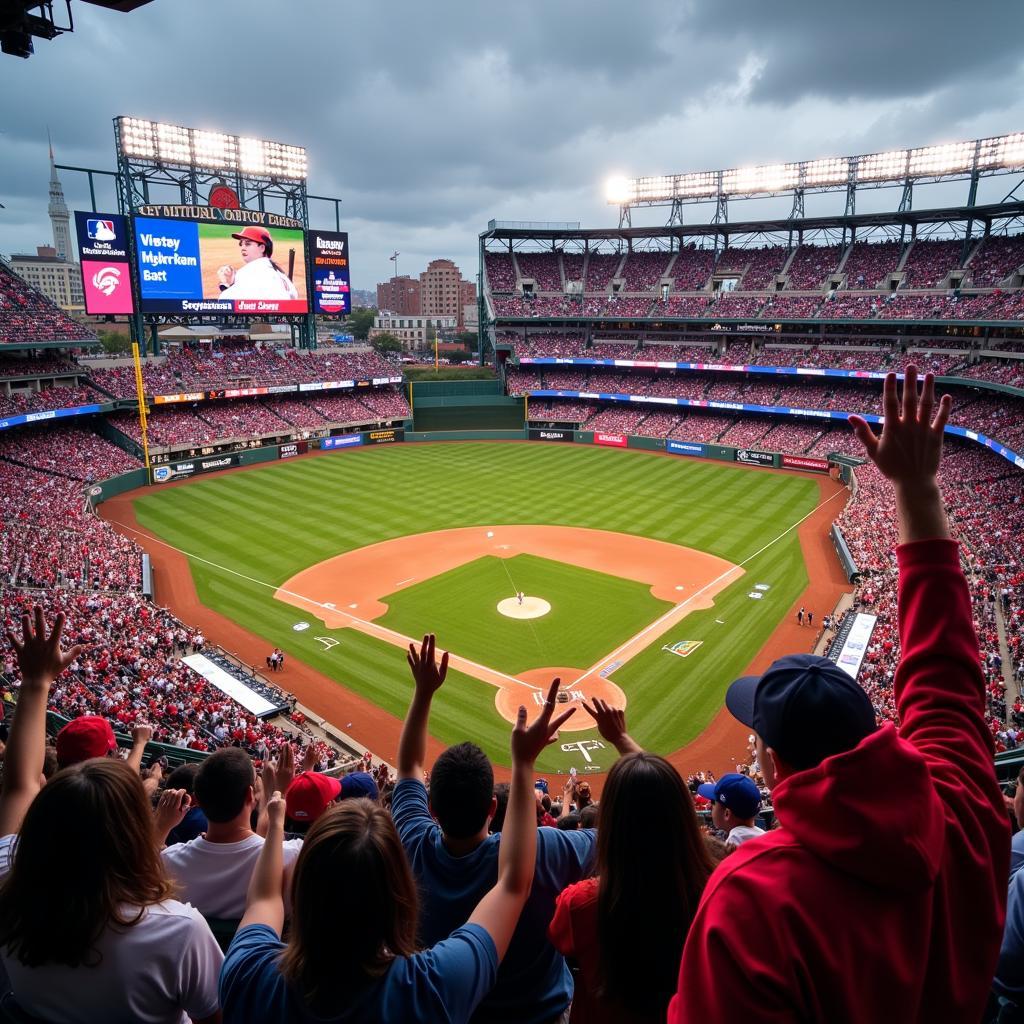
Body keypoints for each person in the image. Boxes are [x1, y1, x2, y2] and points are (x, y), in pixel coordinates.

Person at [669, 367, 1010, 1023]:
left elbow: (945, 677)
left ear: (770, 765)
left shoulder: (755, 898)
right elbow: (947, 680)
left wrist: (915, 486)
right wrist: (918, 488)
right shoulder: (964, 807)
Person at [219, 636, 571, 1024]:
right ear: (398, 896)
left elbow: (264, 900)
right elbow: (512, 885)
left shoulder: (248, 977)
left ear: (302, 891)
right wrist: (522, 764)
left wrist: (276, 811)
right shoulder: (428, 989)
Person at [0, 607, 223, 1023]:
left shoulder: (8, 881)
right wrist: (37, 681)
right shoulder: (178, 930)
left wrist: (34, 684)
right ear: (134, 830)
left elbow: (18, 785)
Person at [391, 636, 593, 1024]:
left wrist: (423, 693)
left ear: (432, 809)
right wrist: (524, 762)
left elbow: (409, 768)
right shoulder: (544, 848)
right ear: (492, 808)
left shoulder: (413, 842)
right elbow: (620, 832)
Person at [550, 742, 714, 1024]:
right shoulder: (716, 889)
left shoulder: (581, 902)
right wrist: (624, 741)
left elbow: (558, 937)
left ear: (610, 821)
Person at [160, 747, 303, 921]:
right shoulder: (291, 857)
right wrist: (279, 790)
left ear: (197, 798)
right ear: (250, 795)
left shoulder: (167, 861)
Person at [217, 226, 298, 301]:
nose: (243, 248)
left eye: (248, 244)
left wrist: (226, 285)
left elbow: (225, 301)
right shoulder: (281, 275)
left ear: (262, 248)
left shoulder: (248, 271)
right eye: (241, 244)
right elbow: (294, 296)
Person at [696, 772, 765, 847]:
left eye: (713, 802)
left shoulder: (735, 840)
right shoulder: (762, 835)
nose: (710, 805)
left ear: (727, 814)